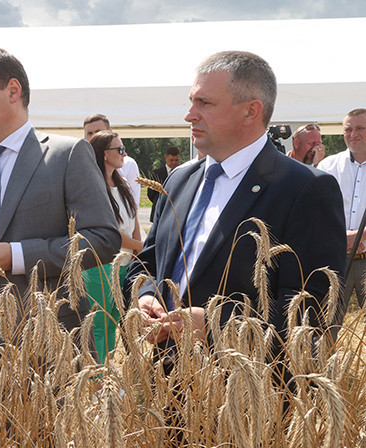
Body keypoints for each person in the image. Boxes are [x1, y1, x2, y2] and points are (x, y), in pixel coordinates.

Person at [125, 51, 345, 368]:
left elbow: (315, 307)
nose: (189, 115)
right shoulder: (179, 181)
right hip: (168, 384)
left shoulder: (306, 188)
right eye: (191, 101)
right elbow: (146, 263)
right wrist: (144, 299)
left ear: (250, 111)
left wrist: (217, 324)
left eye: (205, 103)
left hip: (250, 397)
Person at [0, 48, 120, 347]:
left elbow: (102, 239)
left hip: (46, 349)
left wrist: (17, 256)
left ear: (13, 91)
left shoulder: (66, 155)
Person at [85, 130, 142, 363]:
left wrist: (139, 251)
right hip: (101, 264)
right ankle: (97, 382)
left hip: (125, 264)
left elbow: (134, 218)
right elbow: (109, 233)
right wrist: (139, 245)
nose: (123, 153)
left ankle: (107, 377)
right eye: (119, 149)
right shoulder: (93, 187)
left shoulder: (123, 183)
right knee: (100, 323)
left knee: (113, 320)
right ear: (104, 154)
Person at [317, 109, 366, 306]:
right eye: (348, 129)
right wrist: (341, 236)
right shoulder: (327, 167)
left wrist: (360, 236)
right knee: (327, 329)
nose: (353, 134)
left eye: (360, 128)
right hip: (335, 261)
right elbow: (316, 212)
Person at [83, 113, 141, 207]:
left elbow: (133, 205)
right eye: (89, 133)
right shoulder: (80, 164)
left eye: (98, 131)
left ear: (109, 132)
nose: (94, 136)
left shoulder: (128, 164)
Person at [147, 146, 181, 222]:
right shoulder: (156, 173)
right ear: (166, 158)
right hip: (159, 212)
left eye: (176, 160)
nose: (174, 163)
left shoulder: (183, 172)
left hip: (177, 213)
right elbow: (151, 194)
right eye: (171, 160)